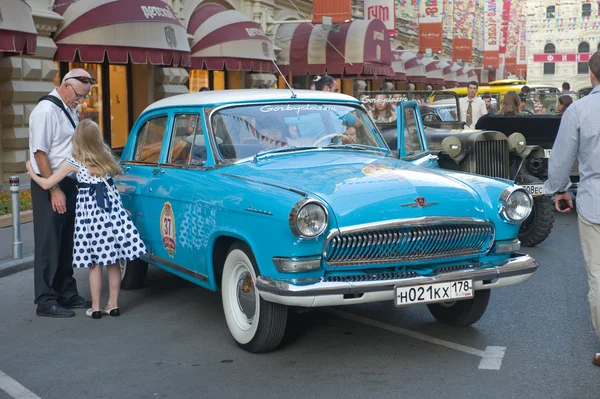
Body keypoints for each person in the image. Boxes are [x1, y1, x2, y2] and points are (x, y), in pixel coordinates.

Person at [26, 119, 146, 319]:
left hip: (91, 218)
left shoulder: (74, 161)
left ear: (78, 139)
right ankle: (113, 305)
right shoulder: (106, 157)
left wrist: (32, 172)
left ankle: (96, 307)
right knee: (113, 261)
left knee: (94, 263)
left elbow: (47, 184)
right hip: (111, 214)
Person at [543, 50, 600, 367]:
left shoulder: (579, 110)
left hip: (595, 200)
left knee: (599, 276)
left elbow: (562, 158)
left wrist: (560, 189)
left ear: (591, 75)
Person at [28, 69, 94, 318]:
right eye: (79, 95)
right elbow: (40, 153)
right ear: (66, 86)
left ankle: (66, 292)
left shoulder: (68, 107)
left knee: (66, 240)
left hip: (67, 180)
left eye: (84, 97)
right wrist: (54, 189)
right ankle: (45, 300)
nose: (81, 101)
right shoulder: (46, 110)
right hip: (50, 182)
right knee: (49, 241)